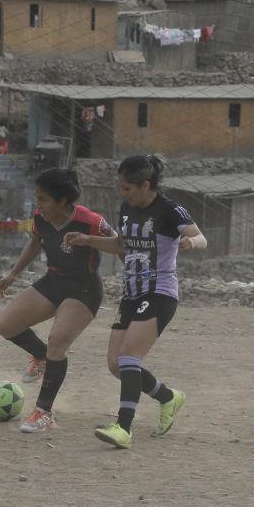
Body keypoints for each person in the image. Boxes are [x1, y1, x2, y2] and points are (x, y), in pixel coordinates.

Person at [64, 155, 203, 449]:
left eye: (127, 188)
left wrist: (191, 242)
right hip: (132, 293)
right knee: (116, 365)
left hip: (160, 292)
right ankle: (168, 397)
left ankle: (123, 428)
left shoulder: (169, 209)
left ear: (146, 184)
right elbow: (120, 245)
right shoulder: (127, 209)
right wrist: (87, 240)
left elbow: (200, 237)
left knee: (129, 357)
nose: (122, 193)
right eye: (121, 187)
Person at [0, 168, 114, 433]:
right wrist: (13, 273)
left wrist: (88, 240)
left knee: (57, 342)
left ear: (63, 200)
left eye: (44, 199)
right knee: (6, 325)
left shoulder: (91, 221)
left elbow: (121, 245)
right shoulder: (41, 217)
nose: (39, 204)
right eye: (37, 198)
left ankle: (43, 413)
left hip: (83, 289)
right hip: (54, 281)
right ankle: (40, 357)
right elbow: (36, 242)